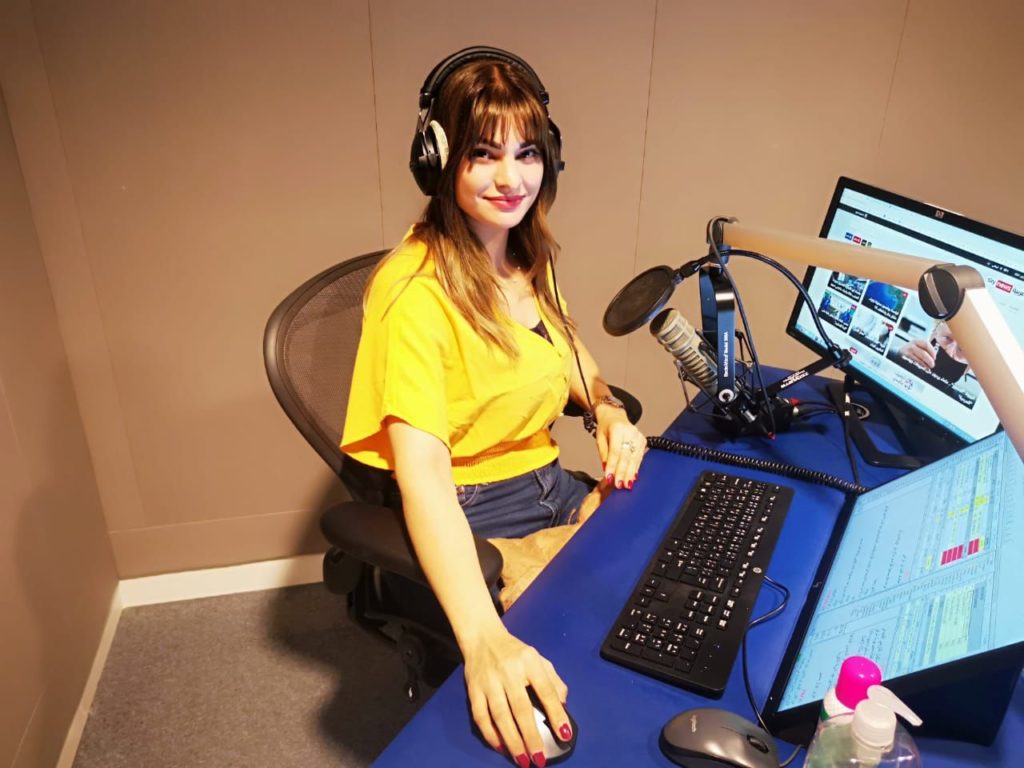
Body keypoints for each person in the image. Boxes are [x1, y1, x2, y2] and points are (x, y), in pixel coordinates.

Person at [339, 47, 648, 767]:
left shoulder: (523, 251)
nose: (512, 179)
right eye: (484, 154)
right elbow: (422, 477)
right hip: (473, 508)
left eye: (527, 153)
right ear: (438, 159)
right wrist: (483, 641)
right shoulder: (412, 293)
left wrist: (605, 409)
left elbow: (567, 353)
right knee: (591, 665)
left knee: (662, 570)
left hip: (550, 481)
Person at [897, 320, 971, 385]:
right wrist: (898, 358)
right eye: (947, 338)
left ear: (968, 368)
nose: (949, 352)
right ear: (932, 335)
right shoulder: (904, 356)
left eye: (962, 349)